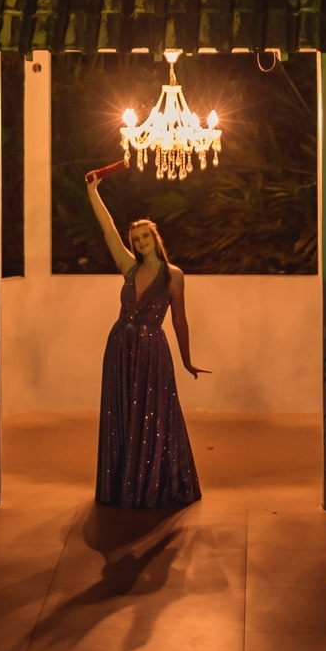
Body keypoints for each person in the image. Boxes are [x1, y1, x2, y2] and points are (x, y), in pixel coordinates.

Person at [86, 168, 206, 508]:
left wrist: (186, 360)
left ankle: (152, 484)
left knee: (153, 415)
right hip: (120, 346)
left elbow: (180, 322)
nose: (139, 243)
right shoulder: (129, 267)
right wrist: (93, 192)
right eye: (136, 239)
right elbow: (108, 231)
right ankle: (121, 483)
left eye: (145, 238)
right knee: (122, 415)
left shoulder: (174, 276)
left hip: (153, 350)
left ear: (156, 239)